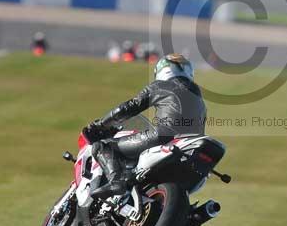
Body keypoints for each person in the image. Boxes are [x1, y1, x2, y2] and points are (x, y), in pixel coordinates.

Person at [82, 53, 206, 198]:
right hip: (189, 150)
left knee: (102, 146)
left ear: (163, 70)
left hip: (163, 137)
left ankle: (116, 181)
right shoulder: (199, 99)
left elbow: (128, 108)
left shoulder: (160, 85)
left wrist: (100, 125)